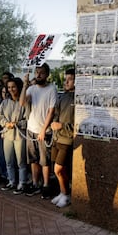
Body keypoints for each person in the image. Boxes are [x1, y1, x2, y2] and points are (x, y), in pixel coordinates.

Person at [20, 63, 58, 199]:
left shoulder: (52, 89)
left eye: (41, 73)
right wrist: (25, 85)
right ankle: (35, 184)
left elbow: (51, 111)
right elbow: (22, 103)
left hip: (44, 131)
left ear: (47, 74)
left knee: (44, 161)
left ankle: (46, 185)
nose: (38, 75)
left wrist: (43, 130)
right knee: (33, 160)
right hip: (31, 128)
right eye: (36, 72)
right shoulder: (31, 88)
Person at [0, 77, 28, 194]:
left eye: (13, 87)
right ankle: (11, 181)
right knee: (8, 160)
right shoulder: (5, 102)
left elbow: (28, 119)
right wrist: (6, 124)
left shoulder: (23, 103)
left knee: (21, 161)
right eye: (9, 87)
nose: (11, 89)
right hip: (7, 134)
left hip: (20, 135)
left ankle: (22, 183)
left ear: (18, 87)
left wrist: (18, 123)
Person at [50, 68, 75, 208]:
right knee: (59, 169)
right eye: (65, 78)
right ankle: (63, 192)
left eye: (70, 79)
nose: (66, 81)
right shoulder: (62, 96)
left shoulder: (78, 99)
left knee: (58, 169)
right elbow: (56, 115)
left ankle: (66, 194)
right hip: (57, 138)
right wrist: (54, 123)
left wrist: (63, 126)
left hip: (67, 139)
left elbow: (78, 124)